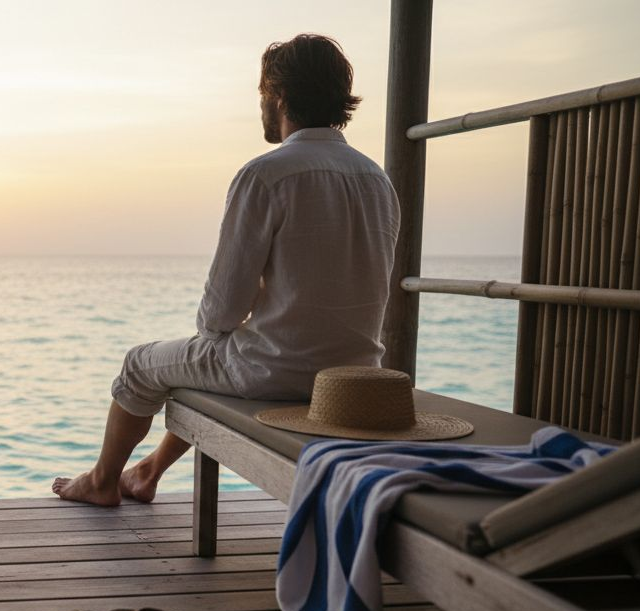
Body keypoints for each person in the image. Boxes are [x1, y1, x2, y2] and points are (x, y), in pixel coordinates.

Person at [53, 34, 401, 506]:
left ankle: (100, 482)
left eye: (263, 94)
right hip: (350, 379)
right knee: (209, 358)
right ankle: (147, 472)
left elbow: (219, 313)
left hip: (274, 373)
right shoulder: (377, 179)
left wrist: (235, 318)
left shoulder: (266, 175)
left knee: (142, 364)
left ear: (279, 96)